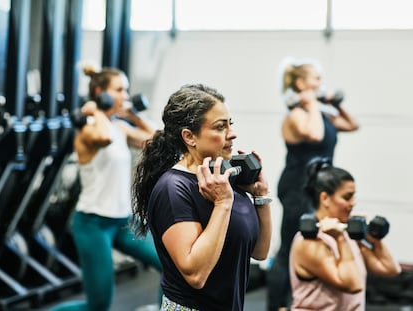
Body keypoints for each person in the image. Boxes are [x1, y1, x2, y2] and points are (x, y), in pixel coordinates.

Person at [131, 83, 272, 311]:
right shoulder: (173, 189)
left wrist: (261, 197)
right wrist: (223, 203)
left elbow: (259, 251)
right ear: (189, 136)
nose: (232, 133)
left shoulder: (222, 178)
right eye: (220, 127)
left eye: (230, 124)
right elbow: (196, 274)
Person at [50, 66, 161, 311]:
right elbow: (104, 138)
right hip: (93, 224)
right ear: (101, 92)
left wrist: (133, 115)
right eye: (119, 90)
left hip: (123, 221)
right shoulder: (88, 128)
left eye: (126, 90)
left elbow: (159, 140)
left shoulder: (119, 126)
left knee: (172, 266)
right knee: (98, 305)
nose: (125, 95)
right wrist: (97, 109)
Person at [267, 57, 360, 311]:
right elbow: (315, 134)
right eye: (317, 79)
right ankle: (276, 306)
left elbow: (353, 125)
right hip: (297, 187)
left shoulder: (322, 114)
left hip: (319, 188)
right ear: (300, 83)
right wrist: (312, 106)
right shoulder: (296, 115)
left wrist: (334, 105)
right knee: (289, 248)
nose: (322, 84)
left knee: (313, 244)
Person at [289, 157, 401, 310]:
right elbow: (353, 284)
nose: (353, 202)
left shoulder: (347, 232)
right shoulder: (309, 241)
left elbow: (390, 269)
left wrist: (372, 237)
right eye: (347, 197)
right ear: (325, 198)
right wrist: (340, 239)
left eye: (354, 196)